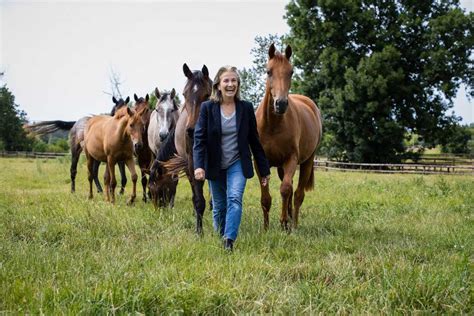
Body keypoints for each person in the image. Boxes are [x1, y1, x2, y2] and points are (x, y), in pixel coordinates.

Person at [193, 65, 270, 251]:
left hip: (237, 162)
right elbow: (199, 140)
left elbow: (254, 140)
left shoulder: (246, 108)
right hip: (214, 163)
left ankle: (229, 241)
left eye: (234, 80)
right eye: (226, 80)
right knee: (219, 206)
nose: (230, 84)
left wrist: (264, 170)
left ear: (238, 84)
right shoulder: (207, 108)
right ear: (218, 85)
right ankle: (221, 235)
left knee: (234, 198)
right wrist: (199, 166)